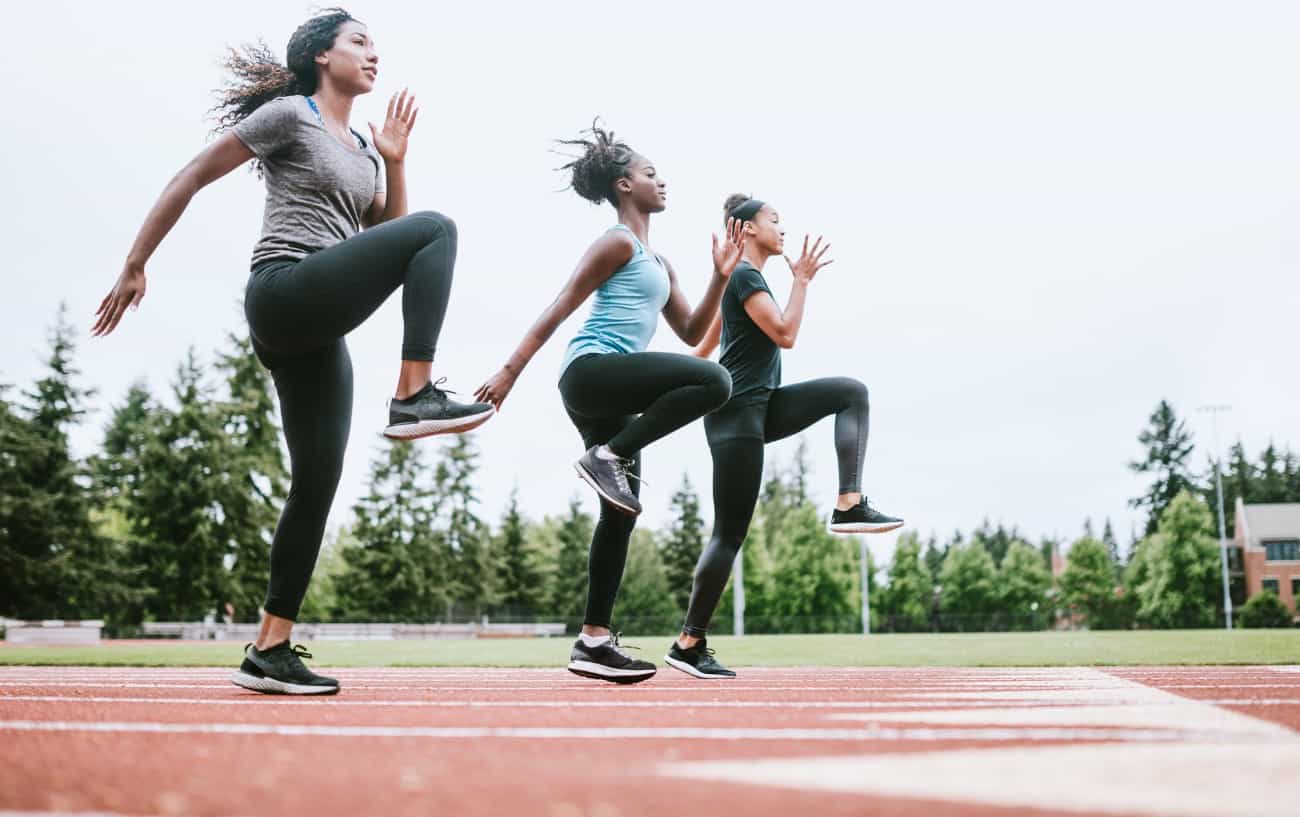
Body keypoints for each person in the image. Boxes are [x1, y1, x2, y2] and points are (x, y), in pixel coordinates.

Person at [92, 8, 493, 695]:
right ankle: (412, 392)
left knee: (317, 481)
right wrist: (135, 263)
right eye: (359, 43)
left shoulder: (364, 152)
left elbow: (387, 239)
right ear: (320, 57)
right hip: (282, 289)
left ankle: (269, 648)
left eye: (376, 46)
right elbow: (192, 173)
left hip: (318, 325)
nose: (374, 55)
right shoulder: (290, 115)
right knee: (441, 229)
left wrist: (394, 163)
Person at [475, 124, 744, 683]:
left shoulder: (661, 263)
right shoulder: (616, 242)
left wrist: (720, 278)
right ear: (624, 186)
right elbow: (560, 307)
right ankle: (608, 457)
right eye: (650, 174)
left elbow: (693, 333)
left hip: (613, 386)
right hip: (591, 372)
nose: (661, 180)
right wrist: (508, 371)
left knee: (619, 513)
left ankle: (593, 640)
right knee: (716, 382)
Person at [665, 194, 903, 679]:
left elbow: (707, 345)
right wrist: (802, 281)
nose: (782, 229)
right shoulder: (747, 277)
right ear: (747, 229)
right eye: (774, 220)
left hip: (759, 408)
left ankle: (848, 503)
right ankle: (688, 643)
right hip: (737, 416)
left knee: (850, 393)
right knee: (728, 535)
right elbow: (786, 333)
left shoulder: (743, 280)